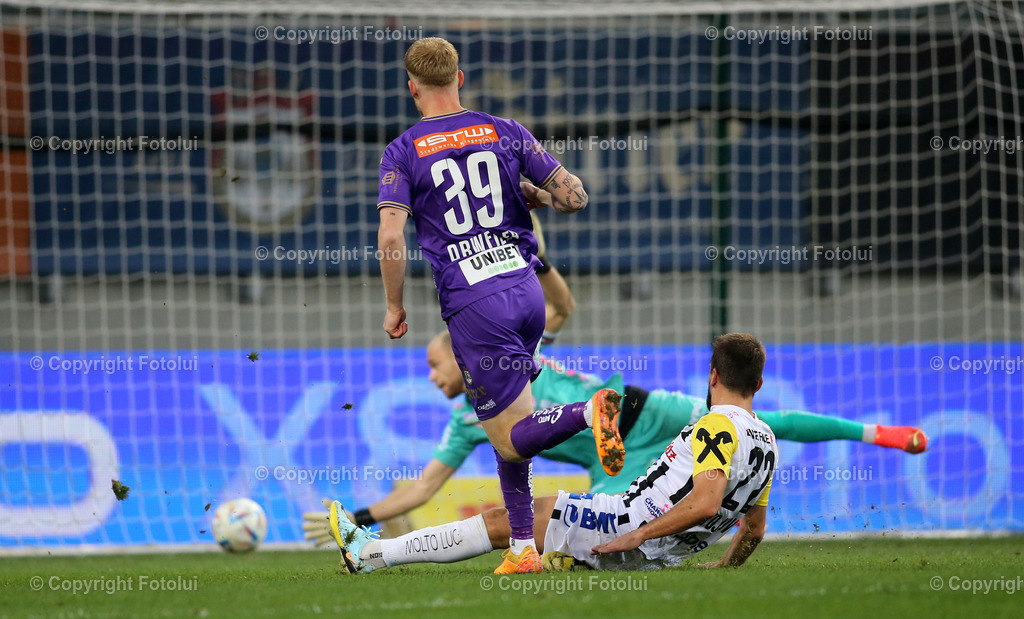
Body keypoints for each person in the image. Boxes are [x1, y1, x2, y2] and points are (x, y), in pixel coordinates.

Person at [332, 255, 926, 533]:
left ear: (461, 357)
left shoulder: (517, 359)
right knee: (603, 532)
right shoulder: (469, 421)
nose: (433, 377)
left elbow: (561, 305)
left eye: (437, 365)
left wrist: (534, 260)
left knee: (760, 419)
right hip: (618, 446)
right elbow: (424, 487)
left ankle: (880, 433)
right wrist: (360, 516)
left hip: (637, 407)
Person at [375, 36, 622, 574]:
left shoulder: (403, 151)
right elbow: (573, 196)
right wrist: (537, 195)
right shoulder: (503, 130)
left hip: (475, 302)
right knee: (510, 428)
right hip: (525, 288)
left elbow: (391, 238)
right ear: (460, 79)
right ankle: (521, 548)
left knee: (510, 438)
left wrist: (394, 305)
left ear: (412, 87)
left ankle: (589, 409)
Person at [309, 334, 779, 573]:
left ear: (713, 375)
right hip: (666, 550)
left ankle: (371, 553)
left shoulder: (717, 425)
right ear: (758, 383)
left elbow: (706, 501)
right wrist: (723, 567)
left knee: (504, 523)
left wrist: (638, 535)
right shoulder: (767, 443)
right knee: (525, 525)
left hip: (630, 524)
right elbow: (753, 528)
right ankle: (571, 555)